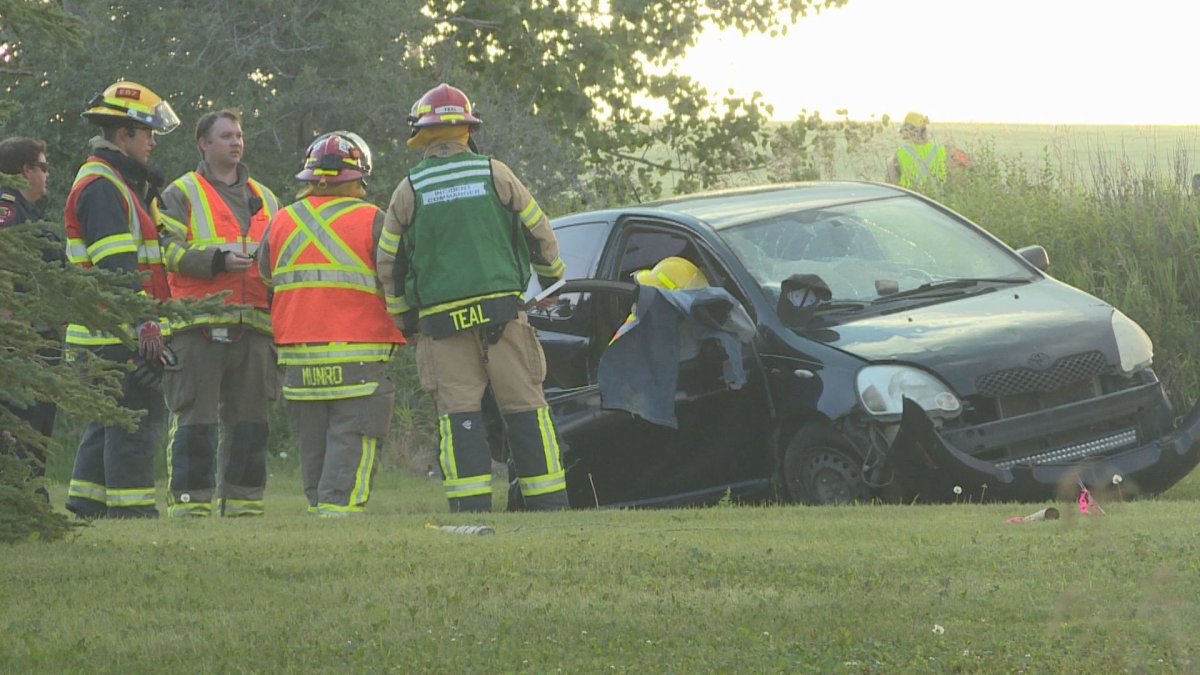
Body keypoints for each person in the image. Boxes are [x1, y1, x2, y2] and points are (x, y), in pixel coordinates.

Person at [377, 83, 569, 512]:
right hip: (504, 316)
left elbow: (389, 264)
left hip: (442, 327)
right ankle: (550, 506)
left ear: (421, 133)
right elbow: (539, 232)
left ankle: (470, 509)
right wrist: (551, 281)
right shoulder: (494, 172)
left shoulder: (408, 189)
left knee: (459, 415)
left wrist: (405, 321)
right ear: (468, 127)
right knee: (525, 409)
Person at [259, 131, 405, 517]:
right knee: (353, 437)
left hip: (298, 361)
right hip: (358, 354)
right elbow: (397, 274)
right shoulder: (372, 220)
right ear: (358, 178)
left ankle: (319, 510)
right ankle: (338, 514)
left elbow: (267, 276)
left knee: (313, 442)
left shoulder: (280, 221)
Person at [63, 81, 179, 519]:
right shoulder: (104, 186)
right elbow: (117, 270)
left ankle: (85, 505)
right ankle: (133, 514)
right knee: (133, 425)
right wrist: (145, 328)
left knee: (105, 423)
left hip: (104, 333)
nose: (152, 142)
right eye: (146, 133)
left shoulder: (116, 183)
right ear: (123, 134)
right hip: (115, 332)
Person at [157, 110, 281, 517]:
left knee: (251, 422)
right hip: (198, 327)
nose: (236, 142)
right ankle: (190, 505)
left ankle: (245, 506)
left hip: (256, 327)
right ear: (203, 144)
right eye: (226, 135)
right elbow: (166, 253)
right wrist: (217, 261)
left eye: (240, 135)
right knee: (196, 419)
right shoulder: (180, 193)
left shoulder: (267, 197)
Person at [0, 136, 62, 501]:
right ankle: (19, 500)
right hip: (21, 341)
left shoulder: (30, 213)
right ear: (26, 171)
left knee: (39, 423)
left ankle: (32, 497)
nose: (47, 173)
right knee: (21, 425)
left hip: (41, 339)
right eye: (43, 166)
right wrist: (15, 336)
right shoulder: (8, 209)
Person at [887, 112, 969, 190]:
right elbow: (960, 174)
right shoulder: (942, 150)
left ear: (909, 131)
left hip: (909, 201)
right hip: (935, 202)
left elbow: (891, 185)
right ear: (924, 131)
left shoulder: (900, 153)